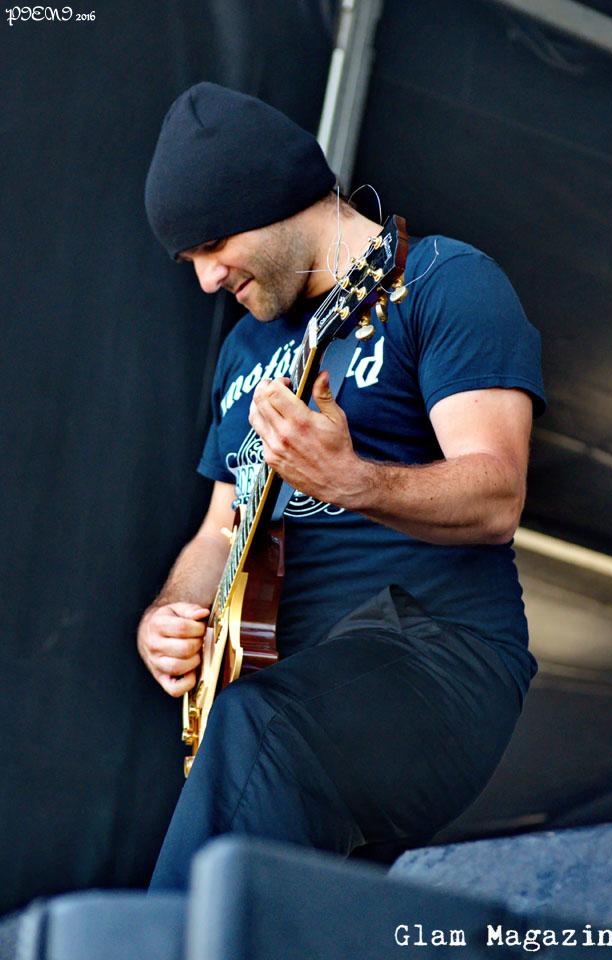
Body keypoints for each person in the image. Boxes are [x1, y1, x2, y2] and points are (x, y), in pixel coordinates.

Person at [140, 82, 546, 891]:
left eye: (213, 245)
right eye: (190, 263)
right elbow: (220, 528)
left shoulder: (444, 282)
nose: (208, 280)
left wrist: (351, 479)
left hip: (438, 658)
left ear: (272, 198)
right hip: (287, 684)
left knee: (260, 726)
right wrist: (172, 615)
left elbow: (497, 495)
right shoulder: (246, 351)